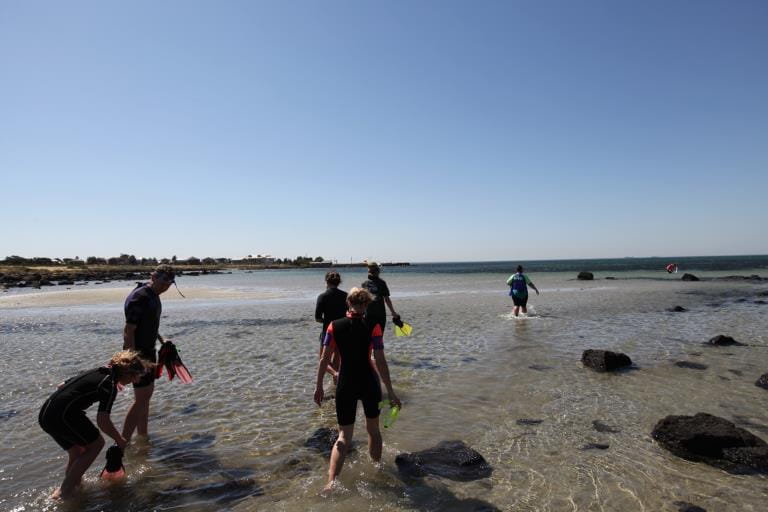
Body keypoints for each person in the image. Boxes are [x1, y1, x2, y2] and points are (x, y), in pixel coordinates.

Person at [313, 287, 401, 492]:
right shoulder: (374, 326)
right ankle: (377, 470)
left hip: (345, 383)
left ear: (348, 303)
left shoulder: (334, 327)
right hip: (369, 382)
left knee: (343, 436)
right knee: (373, 430)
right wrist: (391, 392)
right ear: (366, 305)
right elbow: (380, 361)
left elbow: (324, 359)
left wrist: (318, 387)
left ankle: (331, 482)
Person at [38, 350, 152, 500]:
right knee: (97, 444)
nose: (136, 381)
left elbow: (61, 386)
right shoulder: (109, 384)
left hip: (46, 414)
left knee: (77, 450)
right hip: (63, 416)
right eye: (135, 377)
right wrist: (120, 440)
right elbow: (103, 420)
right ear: (127, 373)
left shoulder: (96, 371)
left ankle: (74, 487)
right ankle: (64, 492)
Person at [121, 263, 175, 441]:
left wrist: (162, 339)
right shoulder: (141, 296)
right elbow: (129, 330)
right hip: (139, 355)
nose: (166, 285)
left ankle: (142, 437)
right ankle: (122, 443)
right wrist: (132, 359)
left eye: (170, 282)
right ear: (153, 277)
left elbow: (149, 324)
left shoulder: (153, 295)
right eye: (163, 280)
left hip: (149, 352)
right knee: (141, 399)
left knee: (144, 398)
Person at [314, 271, 347, 380]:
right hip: (343, 330)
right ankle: (336, 384)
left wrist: (327, 321)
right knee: (336, 359)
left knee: (322, 360)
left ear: (326, 282)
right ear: (339, 282)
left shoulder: (322, 296)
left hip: (328, 331)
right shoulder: (346, 296)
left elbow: (317, 318)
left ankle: (336, 374)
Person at [361, 261, 399, 331]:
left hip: (368, 314)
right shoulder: (382, 283)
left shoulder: (364, 284)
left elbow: (362, 300)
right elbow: (387, 299)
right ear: (378, 271)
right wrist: (393, 312)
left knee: (368, 338)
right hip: (380, 314)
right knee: (379, 337)